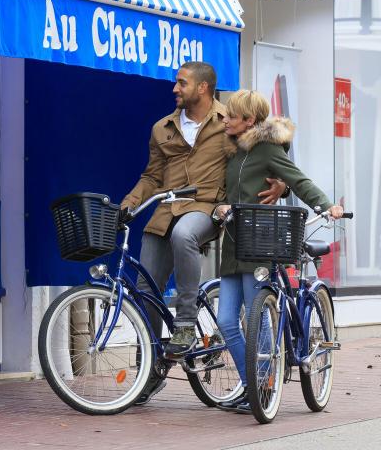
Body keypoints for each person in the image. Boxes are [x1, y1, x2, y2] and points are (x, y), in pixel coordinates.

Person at [120, 63, 286, 404]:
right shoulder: (161, 128)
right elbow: (151, 176)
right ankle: (149, 373)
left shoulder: (229, 121)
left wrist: (281, 185)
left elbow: (263, 155)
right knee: (144, 291)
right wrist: (129, 202)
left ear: (203, 89)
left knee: (185, 235)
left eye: (182, 83)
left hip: (208, 208)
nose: (174, 89)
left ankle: (184, 323)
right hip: (165, 212)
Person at [213, 89, 343, 414]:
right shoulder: (231, 152)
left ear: (250, 121)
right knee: (227, 320)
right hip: (232, 244)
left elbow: (298, 180)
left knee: (257, 319)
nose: (225, 119)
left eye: (231, 115)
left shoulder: (268, 149)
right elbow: (218, 189)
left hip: (259, 242)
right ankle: (254, 381)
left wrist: (326, 205)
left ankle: (261, 384)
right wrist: (218, 206)